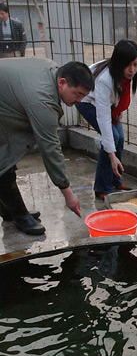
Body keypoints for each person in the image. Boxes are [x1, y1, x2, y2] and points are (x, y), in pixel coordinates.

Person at [0, 58, 94, 235]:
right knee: (3, 162)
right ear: (62, 83)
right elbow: (50, 148)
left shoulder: (52, 69)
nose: (79, 100)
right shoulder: (42, 100)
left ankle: (9, 211)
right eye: (77, 94)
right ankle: (20, 216)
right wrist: (69, 195)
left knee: (5, 157)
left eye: (83, 96)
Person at [76, 39, 137, 199]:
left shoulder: (125, 74)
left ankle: (115, 181)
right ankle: (102, 188)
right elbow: (103, 119)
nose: (132, 69)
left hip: (106, 104)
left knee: (119, 138)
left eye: (135, 64)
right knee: (111, 137)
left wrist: (118, 110)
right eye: (128, 65)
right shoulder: (105, 80)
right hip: (86, 101)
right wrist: (111, 156)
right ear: (119, 63)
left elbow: (121, 97)